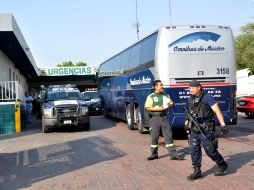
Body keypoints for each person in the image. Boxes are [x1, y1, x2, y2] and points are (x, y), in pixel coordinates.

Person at [185, 80, 229, 181]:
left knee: (210, 150)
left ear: (198, 87)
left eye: (191, 88)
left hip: (206, 128)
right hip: (194, 128)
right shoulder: (190, 98)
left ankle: (222, 164)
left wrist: (223, 125)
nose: (190, 90)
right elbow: (188, 113)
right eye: (189, 88)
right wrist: (186, 124)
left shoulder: (207, 97)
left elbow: (217, 110)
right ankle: (197, 171)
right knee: (194, 149)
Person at [145, 80, 185, 161]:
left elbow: (171, 103)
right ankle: (154, 154)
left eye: (162, 85)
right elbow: (147, 107)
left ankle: (173, 155)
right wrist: (158, 109)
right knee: (154, 137)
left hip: (164, 118)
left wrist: (169, 105)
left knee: (169, 136)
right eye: (160, 85)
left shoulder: (166, 95)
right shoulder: (151, 96)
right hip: (155, 119)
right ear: (156, 87)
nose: (162, 86)